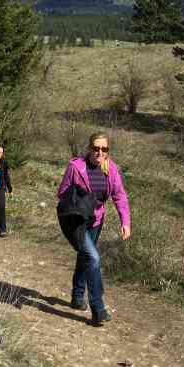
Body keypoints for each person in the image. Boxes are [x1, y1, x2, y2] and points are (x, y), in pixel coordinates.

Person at [57, 132, 131, 326]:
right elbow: (62, 192)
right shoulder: (76, 167)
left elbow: (119, 196)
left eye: (104, 149)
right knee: (93, 257)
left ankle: (77, 295)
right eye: (96, 148)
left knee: (85, 257)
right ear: (89, 148)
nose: (99, 152)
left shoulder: (111, 169)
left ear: (107, 151)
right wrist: (80, 198)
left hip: (96, 221)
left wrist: (125, 222)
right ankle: (98, 308)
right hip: (76, 222)